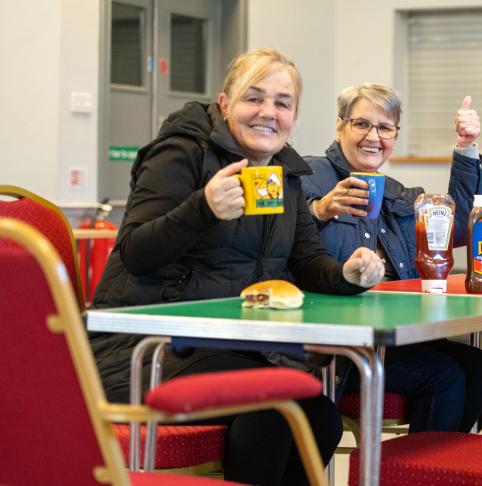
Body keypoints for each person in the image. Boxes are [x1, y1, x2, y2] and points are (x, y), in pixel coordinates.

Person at [90, 49, 384, 486]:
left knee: (321, 416)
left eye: (282, 103)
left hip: (229, 348)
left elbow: (308, 262)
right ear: (226, 104)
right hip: (144, 349)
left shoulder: (285, 173)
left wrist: (349, 274)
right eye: (254, 98)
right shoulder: (180, 153)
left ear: (295, 116)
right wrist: (202, 208)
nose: (268, 112)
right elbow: (135, 251)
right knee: (271, 408)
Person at [301, 83, 482, 433]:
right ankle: (417, 473)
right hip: (335, 349)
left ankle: (443, 470)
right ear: (340, 126)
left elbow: (461, 231)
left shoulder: (397, 194)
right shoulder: (309, 177)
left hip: (393, 337)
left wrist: (466, 149)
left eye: (385, 127)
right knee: (445, 376)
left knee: (480, 367)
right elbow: (283, 232)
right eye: (361, 124)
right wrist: (321, 210)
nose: (373, 136)